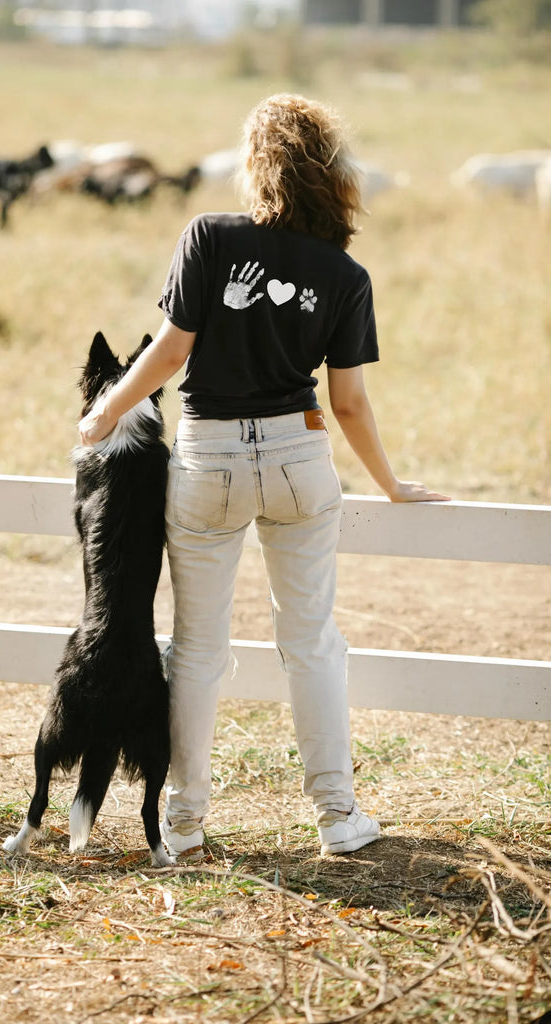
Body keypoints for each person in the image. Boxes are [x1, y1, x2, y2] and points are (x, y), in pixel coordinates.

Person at [78, 93, 449, 860]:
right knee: (312, 644)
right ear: (329, 173)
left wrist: (105, 413)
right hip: (299, 460)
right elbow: (348, 402)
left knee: (197, 649)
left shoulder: (208, 237)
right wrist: (387, 483)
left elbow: (172, 352)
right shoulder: (344, 272)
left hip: (209, 458)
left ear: (256, 164)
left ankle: (181, 825)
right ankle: (338, 817)